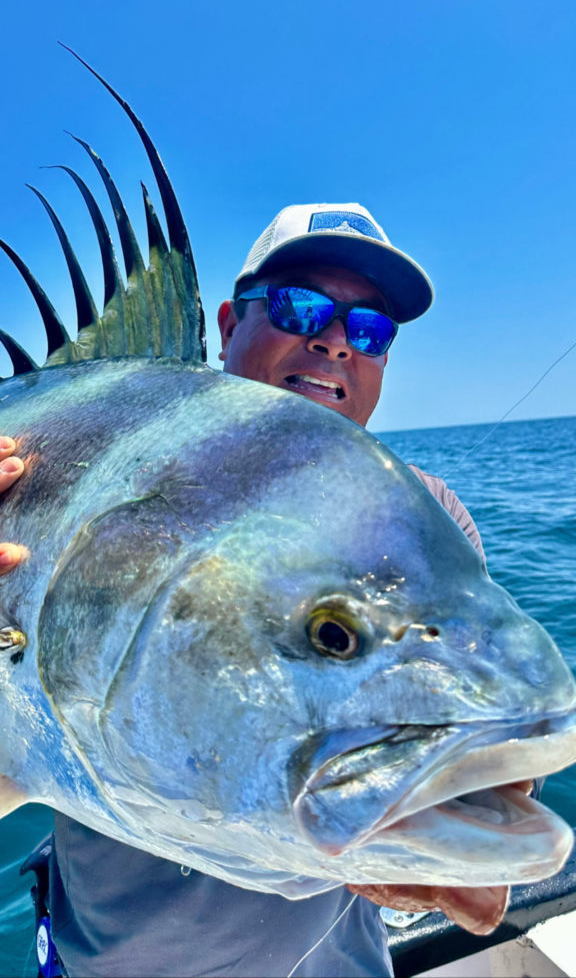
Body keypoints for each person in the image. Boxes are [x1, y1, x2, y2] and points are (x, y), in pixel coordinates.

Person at [0, 203, 520, 977]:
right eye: (300, 305)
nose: (337, 339)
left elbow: (493, 769)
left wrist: (463, 834)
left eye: (371, 329)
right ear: (226, 321)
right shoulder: (34, 473)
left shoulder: (430, 516)